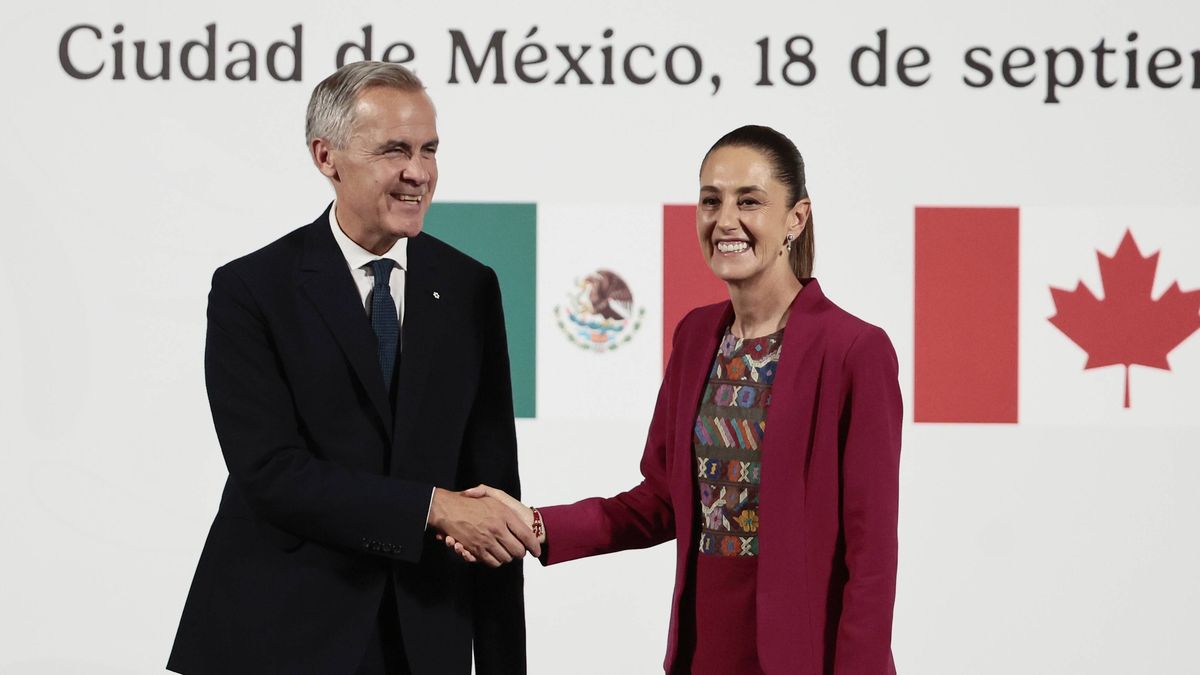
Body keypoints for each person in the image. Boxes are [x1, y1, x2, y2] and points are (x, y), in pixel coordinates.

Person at [449, 125, 903, 674]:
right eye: (711, 201)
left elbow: (871, 557)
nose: (725, 220)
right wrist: (537, 525)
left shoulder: (855, 350)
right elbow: (661, 500)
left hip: (805, 659)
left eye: (749, 201)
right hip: (701, 652)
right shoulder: (695, 336)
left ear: (796, 218)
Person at [167, 61, 538, 675]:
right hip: (278, 637)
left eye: (429, 150)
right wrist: (430, 507)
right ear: (326, 157)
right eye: (395, 150)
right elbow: (270, 473)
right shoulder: (252, 289)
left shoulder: (470, 287)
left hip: (424, 639)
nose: (418, 172)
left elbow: (491, 493)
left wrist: (505, 665)